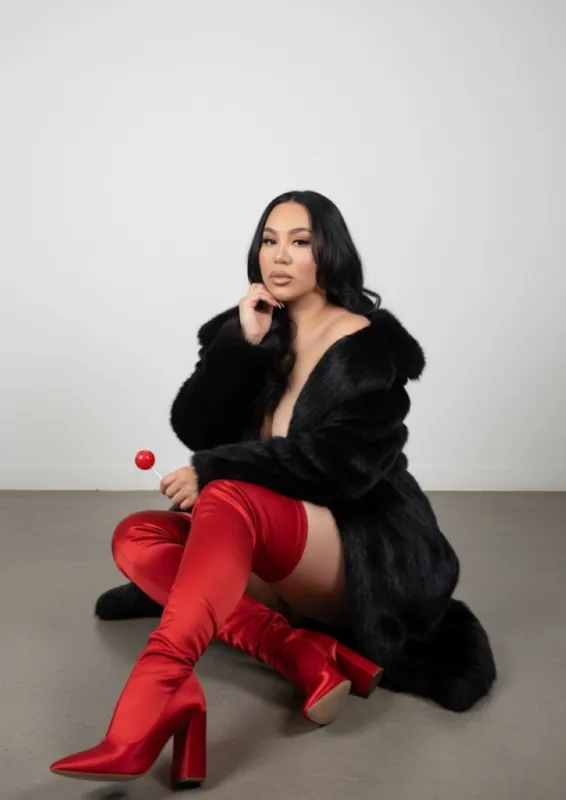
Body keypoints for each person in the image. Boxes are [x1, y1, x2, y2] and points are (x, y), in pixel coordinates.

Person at [51, 191, 496, 788]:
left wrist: (215, 470)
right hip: (277, 545)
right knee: (137, 535)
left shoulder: (369, 349)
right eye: (269, 239)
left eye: (299, 241)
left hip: (357, 554)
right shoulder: (259, 327)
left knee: (227, 492)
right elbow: (195, 427)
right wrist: (241, 347)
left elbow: (341, 467)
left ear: (329, 253)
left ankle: (151, 700)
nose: (279, 256)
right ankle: (297, 653)